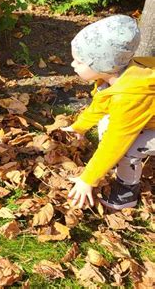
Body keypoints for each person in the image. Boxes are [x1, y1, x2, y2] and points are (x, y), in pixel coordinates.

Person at [62, 15, 155, 210]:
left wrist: (88, 179)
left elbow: (116, 141)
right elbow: (102, 104)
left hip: (139, 117)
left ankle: (126, 193)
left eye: (79, 62)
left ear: (103, 66)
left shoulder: (130, 95)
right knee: (106, 124)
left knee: (128, 148)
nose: (73, 65)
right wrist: (80, 126)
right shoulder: (120, 74)